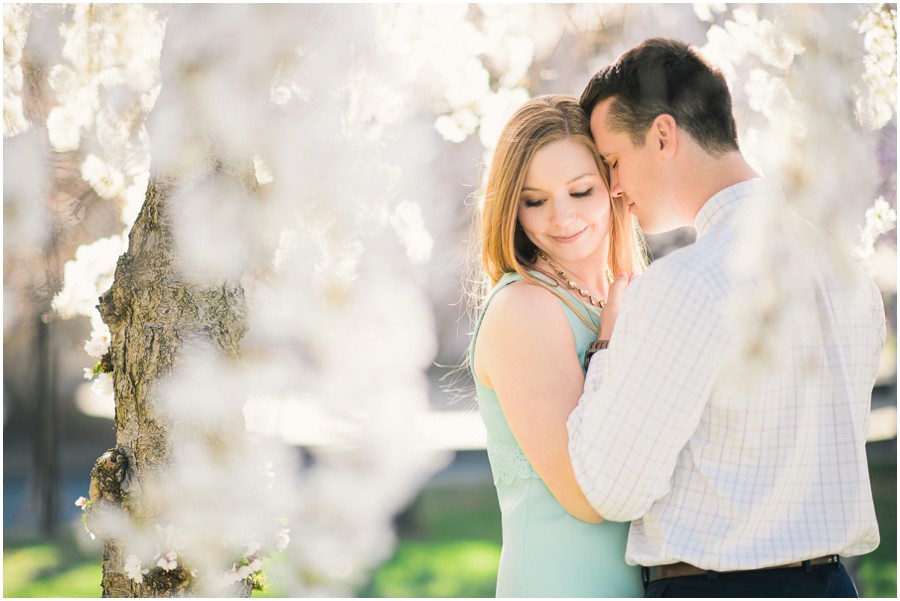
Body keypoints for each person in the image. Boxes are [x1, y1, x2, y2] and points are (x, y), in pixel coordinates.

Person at [568, 38, 886, 597]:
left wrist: (605, 351)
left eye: (614, 161)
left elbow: (612, 490)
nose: (614, 188)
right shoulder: (850, 277)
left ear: (664, 135)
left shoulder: (681, 285)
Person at [468, 94, 647, 597]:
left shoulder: (620, 293)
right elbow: (587, 496)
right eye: (535, 200)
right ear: (512, 206)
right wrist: (608, 343)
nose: (562, 217)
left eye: (580, 191)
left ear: (612, 187)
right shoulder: (525, 309)